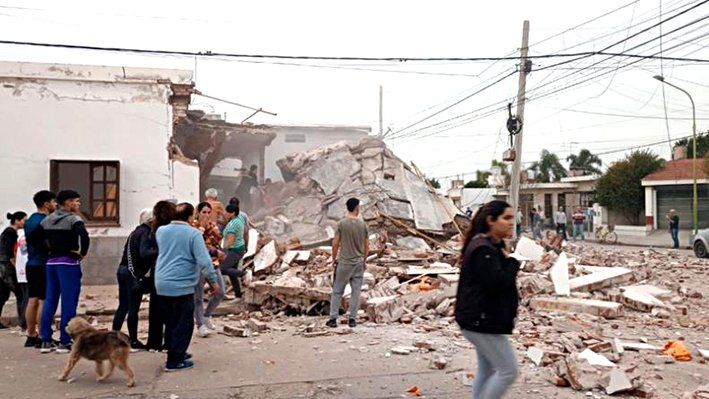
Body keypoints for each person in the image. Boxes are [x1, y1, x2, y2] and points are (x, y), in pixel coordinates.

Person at [455, 200, 520, 399]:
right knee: (508, 371)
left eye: (512, 218)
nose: (511, 223)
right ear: (491, 220)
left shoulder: (491, 245)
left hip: (482, 319)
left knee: (489, 371)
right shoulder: (483, 249)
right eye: (506, 218)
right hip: (481, 320)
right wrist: (513, 263)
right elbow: (497, 282)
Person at [154, 202, 220, 371]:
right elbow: (204, 261)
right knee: (184, 323)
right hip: (181, 284)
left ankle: (176, 352)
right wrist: (213, 282)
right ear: (191, 217)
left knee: (171, 322)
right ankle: (174, 361)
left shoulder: (161, 231)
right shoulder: (193, 234)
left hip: (161, 283)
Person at [40, 190, 90, 354]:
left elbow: (35, 238)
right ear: (67, 203)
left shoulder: (47, 220)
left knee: (50, 300)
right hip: (68, 263)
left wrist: (48, 248)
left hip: (51, 262)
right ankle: (65, 340)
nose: (78, 204)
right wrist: (81, 254)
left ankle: (46, 339)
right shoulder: (73, 220)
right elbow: (84, 237)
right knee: (69, 301)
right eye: (76, 201)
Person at [111, 209, 156, 351]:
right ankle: (133, 341)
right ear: (151, 221)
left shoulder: (135, 232)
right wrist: (159, 250)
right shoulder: (145, 233)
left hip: (123, 270)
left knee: (123, 306)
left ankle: (113, 338)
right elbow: (144, 253)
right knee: (133, 308)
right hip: (133, 274)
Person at [326, 198, 369, 328]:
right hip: (358, 263)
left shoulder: (341, 224)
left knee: (337, 291)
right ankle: (352, 319)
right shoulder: (363, 225)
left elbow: (335, 243)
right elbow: (367, 246)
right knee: (356, 291)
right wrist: (364, 260)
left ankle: (333, 319)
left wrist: (334, 259)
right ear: (357, 208)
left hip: (344, 263)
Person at [24, 190, 56, 348]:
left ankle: (31, 334)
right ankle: (44, 334)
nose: (55, 205)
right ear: (46, 204)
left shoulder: (29, 220)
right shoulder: (46, 221)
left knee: (33, 299)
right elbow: (47, 243)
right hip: (43, 263)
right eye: (53, 202)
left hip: (31, 263)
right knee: (44, 300)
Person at [192, 202, 226, 338]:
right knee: (198, 297)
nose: (206, 215)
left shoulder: (213, 227)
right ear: (198, 213)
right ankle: (200, 325)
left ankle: (206, 316)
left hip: (213, 264)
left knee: (220, 292)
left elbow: (218, 242)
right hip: (199, 265)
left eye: (208, 212)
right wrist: (214, 251)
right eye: (203, 212)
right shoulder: (193, 227)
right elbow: (198, 247)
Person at [145, 201, 175, 352]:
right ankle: (169, 343)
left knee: (155, 308)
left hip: (157, 271)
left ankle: (153, 342)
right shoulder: (173, 230)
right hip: (170, 270)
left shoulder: (154, 229)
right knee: (170, 310)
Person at [0, 211, 28, 331]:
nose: (25, 223)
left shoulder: (9, 232)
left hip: (3, 266)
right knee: (20, 293)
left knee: (2, 295)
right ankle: (23, 322)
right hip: (7, 266)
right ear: (16, 220)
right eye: (23, 220)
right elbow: (10, 252)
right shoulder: (11, 232)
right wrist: (16, 265)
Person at [220, 203, 249, 298]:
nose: (225, 214)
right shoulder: (239, 219)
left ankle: (244, 274)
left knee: (223, 269)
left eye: (227, 212)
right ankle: (238, 294)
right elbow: (245, 231)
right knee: (232, 273)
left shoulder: (232, 225)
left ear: (232, 213)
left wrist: (223, 251)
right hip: (240, 248)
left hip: (234, 250)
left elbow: (230, 240)